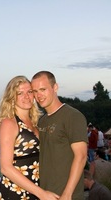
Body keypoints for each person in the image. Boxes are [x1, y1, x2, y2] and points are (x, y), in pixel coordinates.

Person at [0, 75, 59, 200]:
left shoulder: (36, 122)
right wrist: (42, 194)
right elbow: (5, 167)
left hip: (35, 188)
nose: (26, 96)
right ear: (12, 98)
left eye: (30, 91)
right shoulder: (9, 123)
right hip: (16, 191)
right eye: (20, 93)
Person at [31, 71, 88, 199]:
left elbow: (82, 156)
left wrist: (67, 194)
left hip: (65, 195)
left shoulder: (72, 116)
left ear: (55, 87)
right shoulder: (42, 120)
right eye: (35, 91)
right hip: (46, 194)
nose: (38, 95)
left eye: (43, 89)